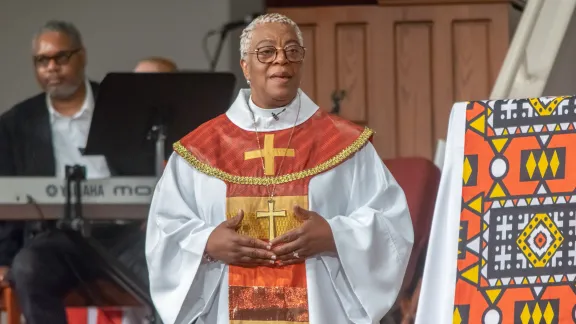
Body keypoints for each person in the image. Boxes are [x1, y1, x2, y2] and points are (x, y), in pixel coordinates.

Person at [145, 13, 414, 324]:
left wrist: (334, 235)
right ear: (245, 65)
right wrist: (207, 243)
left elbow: (391, 224)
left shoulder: (344, 144)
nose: (281, 61)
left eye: (292, 51)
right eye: (266, 52)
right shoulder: (200, 150)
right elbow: (164, 229)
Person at [0, 20, 149, 324]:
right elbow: (7, 198)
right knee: (28, 267)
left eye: (61, 57)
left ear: (82, 55)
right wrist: (3, 259)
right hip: (57, 237)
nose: (51, 67)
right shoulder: (16, 123)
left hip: (121, 234)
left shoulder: (121, 108)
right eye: (42, 60)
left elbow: (146, 172)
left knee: (169, 266)